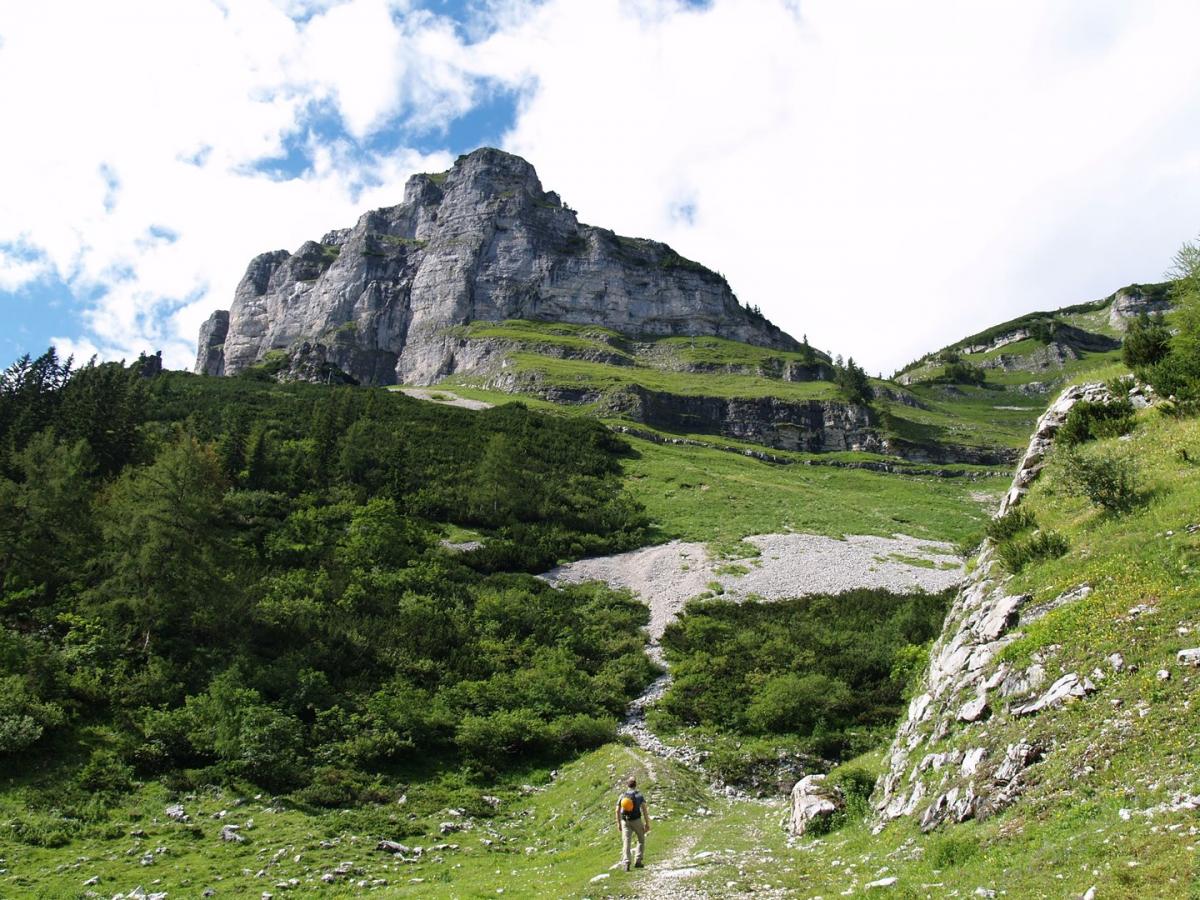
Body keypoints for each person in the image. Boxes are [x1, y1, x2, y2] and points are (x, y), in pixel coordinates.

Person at [616, 776, 651, 871]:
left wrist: (618, 823)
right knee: (641, 839)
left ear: (627, 784)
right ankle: (638, 861)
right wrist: (647, 824)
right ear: (635, 784)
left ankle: (626, 862)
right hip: (636, 820)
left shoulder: (622, 795)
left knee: (626, 841)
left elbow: (617, 810)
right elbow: (644, 810)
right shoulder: (639, 795)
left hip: (625, 821)